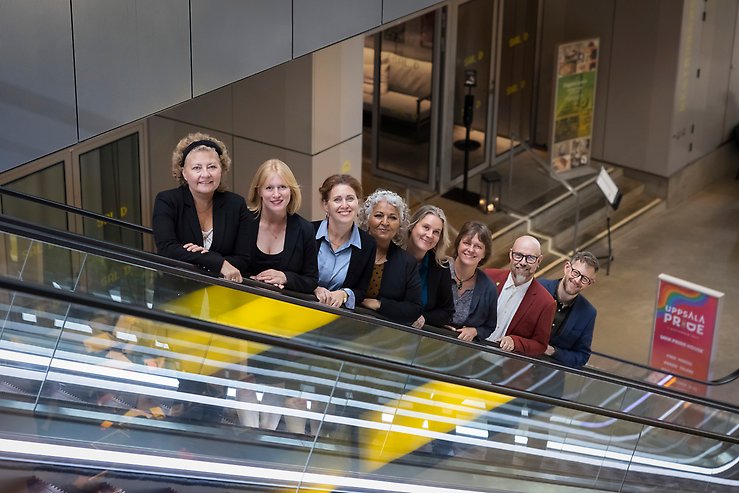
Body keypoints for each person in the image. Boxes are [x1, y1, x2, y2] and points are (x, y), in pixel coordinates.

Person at [152, 133, 250, 286]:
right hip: (177, 292)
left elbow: (244, 259)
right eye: (197, 168)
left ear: (222, 169)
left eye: (212, 167)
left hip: (221, 292)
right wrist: (218, 263)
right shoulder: (167, 201)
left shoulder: (236, 204)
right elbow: (167, 250)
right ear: (184, 173)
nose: (205, 174)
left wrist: (199, 258)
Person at [244, 159, 318, 294]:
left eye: (282, 187)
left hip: (285, 304)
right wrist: (253, 281)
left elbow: (311, 280)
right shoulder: (243, 221)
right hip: (242, 299)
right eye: (269, 188)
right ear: (259, 191)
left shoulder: (305, 229)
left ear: (291, 190)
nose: (276, 194)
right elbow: (231, 263)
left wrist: (285, 277)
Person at [358, 189, 422, 324]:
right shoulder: (353, 248)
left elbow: (414, 309)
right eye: (379, 215)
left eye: (392, 217)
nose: (385, 222)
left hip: (383, 332)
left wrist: (380, 305)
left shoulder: (407, 262)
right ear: (367, 218)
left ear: (400, 224)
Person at [484, 235, 555, 357]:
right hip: (468, 351)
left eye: (530, 258)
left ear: (539, 261)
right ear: (510, 255)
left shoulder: (546, 303)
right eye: (518, 255)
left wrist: (515, 342)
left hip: (502, 364)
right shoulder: (488, 277)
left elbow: (540, 345)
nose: (523, 262)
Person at [313, 174, 376, 308]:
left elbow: (361, 290)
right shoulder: (308, 231)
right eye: (337, 200)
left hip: (337, 317)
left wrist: (344, 294)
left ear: (358, 202)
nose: (344, 205)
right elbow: (296, 274)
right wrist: (313, 288)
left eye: (350, 199)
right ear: (325, 205)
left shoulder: (368, 244)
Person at [539, 251, 599, 368]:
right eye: (576, 273)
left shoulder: (588, 313)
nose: (577, 280)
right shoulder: (539, 287)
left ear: (590, 283)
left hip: (551, 372)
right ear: (567, 268)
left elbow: (582, 356)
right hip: (517, 363)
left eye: (584, 279)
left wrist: (553, 351)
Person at [445, 221, 498, 342]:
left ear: (484, 253)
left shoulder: (489, 288)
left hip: (459, 348)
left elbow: (489, 326)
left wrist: (475, 331)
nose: (471, 249)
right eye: (467, 243)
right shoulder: (439, 269)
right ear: (458, 244)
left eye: (478, 246)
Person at [406, 205, 454, 328]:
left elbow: (447, 312)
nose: (430, 235)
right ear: (412, 225)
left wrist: (424, 317)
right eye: (426, 227)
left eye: (436, 232)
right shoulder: (392, 252)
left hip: (414, 334)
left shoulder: (441, 266)